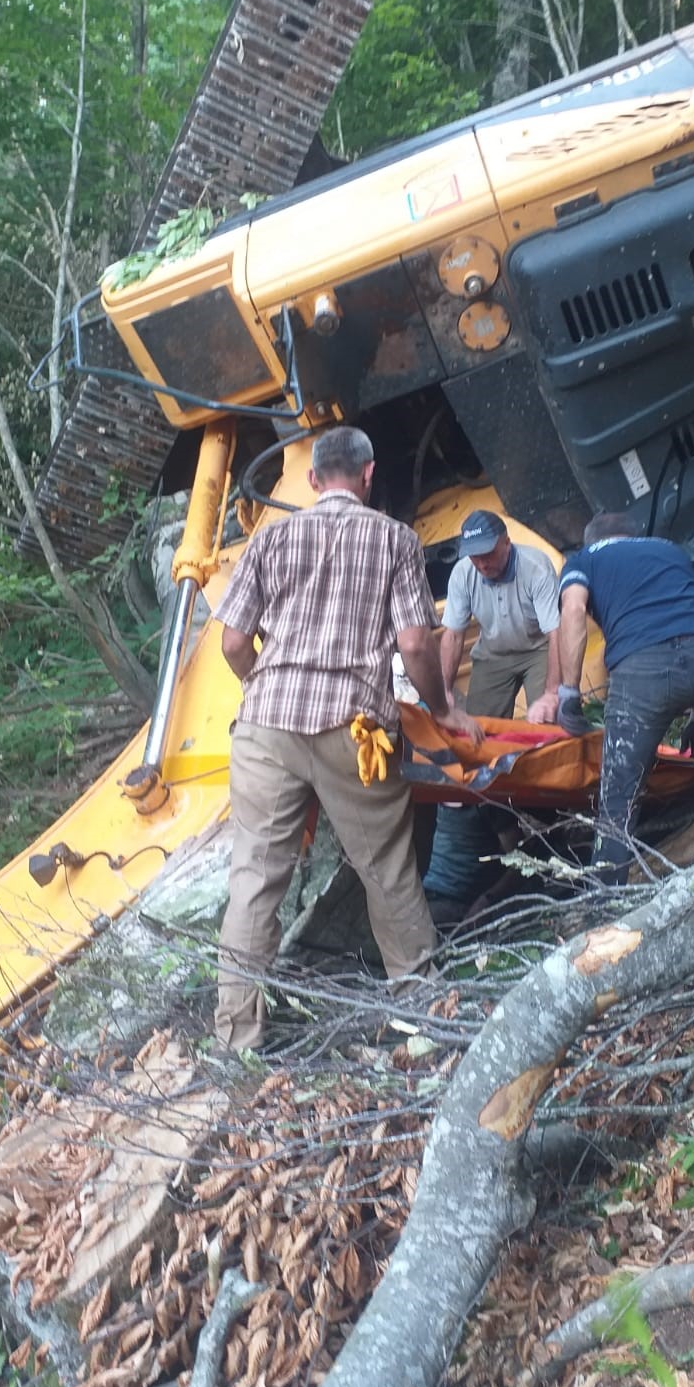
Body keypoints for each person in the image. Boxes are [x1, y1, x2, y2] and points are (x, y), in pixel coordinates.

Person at [214, 425, 482, 1050]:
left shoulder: (271, 536)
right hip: (351, 724)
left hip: (264, 727)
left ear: (311, 481)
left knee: (255, 877)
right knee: (386, 868)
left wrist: (265, 687)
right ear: (367, 476)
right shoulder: (394, 539)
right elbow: (415, 642)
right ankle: (420, 1012)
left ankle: (235, 1041)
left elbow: (231, 641)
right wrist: (443, 709)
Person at [550, 511, 694, 877]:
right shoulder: (668, 550)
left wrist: (568, 693)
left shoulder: (582, 561)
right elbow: (685, 616)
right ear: (634, 536)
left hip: (641, 674)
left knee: (618, 797)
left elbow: (572, 611)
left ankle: (605, 902)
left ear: (592, 541)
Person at [440, 509, 562, 720]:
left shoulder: (536, 568)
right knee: (479, 730)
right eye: (474, 557)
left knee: (548, 719)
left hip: (539, 650)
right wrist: (444, 689)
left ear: (506, 542)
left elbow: (556, 634)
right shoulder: (462, 574)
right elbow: (453, 635)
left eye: (488, 554)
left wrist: (552, 693)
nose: (482, 564)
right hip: (493, 654)